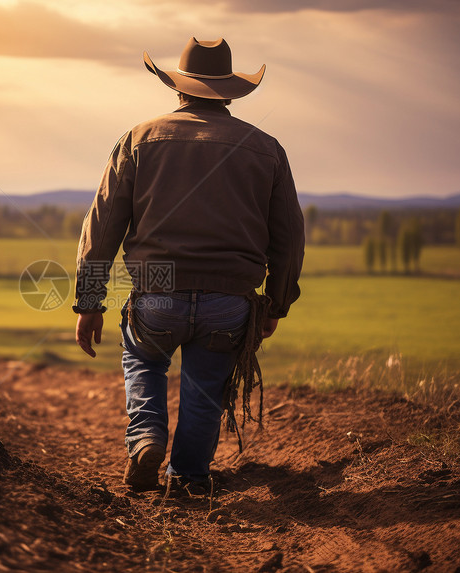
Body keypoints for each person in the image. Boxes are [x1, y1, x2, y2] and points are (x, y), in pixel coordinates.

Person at [73, 37, 304, 493]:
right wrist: (276, 304)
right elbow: (289, 237)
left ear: (177, 88)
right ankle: (189, 479)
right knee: (205, 388)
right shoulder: (267, 148)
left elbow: (101, 226)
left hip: (158, 284)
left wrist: (88, 300)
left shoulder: (139, 139)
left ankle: (145, 438)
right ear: (231, 94)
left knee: (142, 358)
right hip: (231, 293)